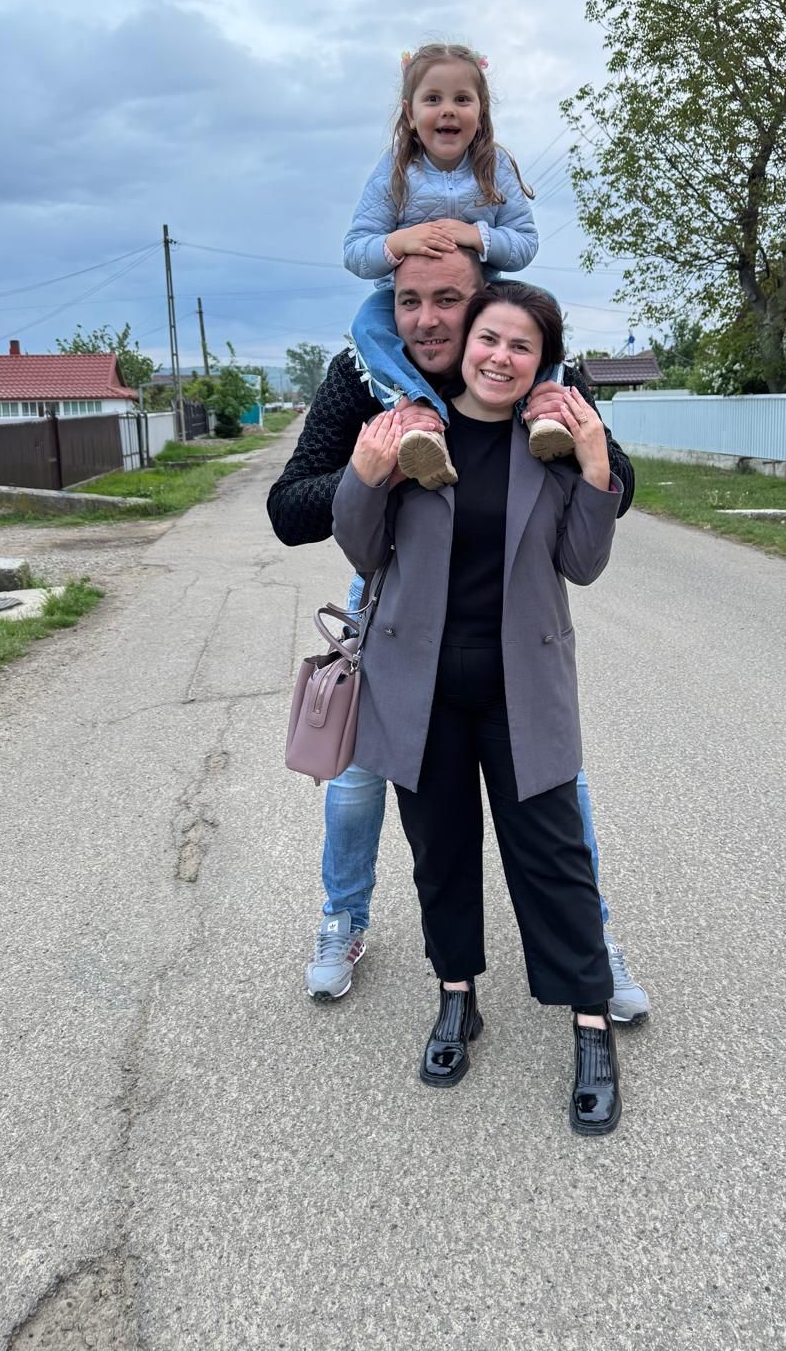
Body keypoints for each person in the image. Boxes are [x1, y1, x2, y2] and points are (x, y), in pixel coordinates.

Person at [266, 247, 651, 1027]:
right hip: (397, 593)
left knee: (554, 788)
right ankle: (346, 917)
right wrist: (375, 467)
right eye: (408, 300)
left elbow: (617, 485)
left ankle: (592, 942)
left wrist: (575, 439)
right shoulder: (363, 377)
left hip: (506, 616)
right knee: (362, 782)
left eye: (448, 300)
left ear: (481, 302)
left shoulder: (530, 370)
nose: (426, 319)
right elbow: (288, 510)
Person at [333, 281, 623, 1134]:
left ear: (543, 363)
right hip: (417, 686)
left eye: (521, 346)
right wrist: (364, 476)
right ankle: (456, 995)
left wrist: (596, 464)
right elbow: (363, 546)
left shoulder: (552, 446)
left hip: (522, 686)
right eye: (489, 338)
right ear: (465, 346)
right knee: (442, 853)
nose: (500, 357)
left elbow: (582, 564)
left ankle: (592, 1022)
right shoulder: (411, 430)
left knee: (554, 857)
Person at [343, 42, 572, 488]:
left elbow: (525, 243)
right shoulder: (395, 170)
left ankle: (543, 408)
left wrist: (476, 236)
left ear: (480, 112)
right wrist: (398, 241)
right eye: (433, 98)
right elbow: (355, 250)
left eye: (462, 99)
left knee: (543, 309)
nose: (448, 110)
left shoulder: (495, 166)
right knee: (367, 323)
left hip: (484, 294)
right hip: (405, 291)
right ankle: (417, 411)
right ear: (410, 113)